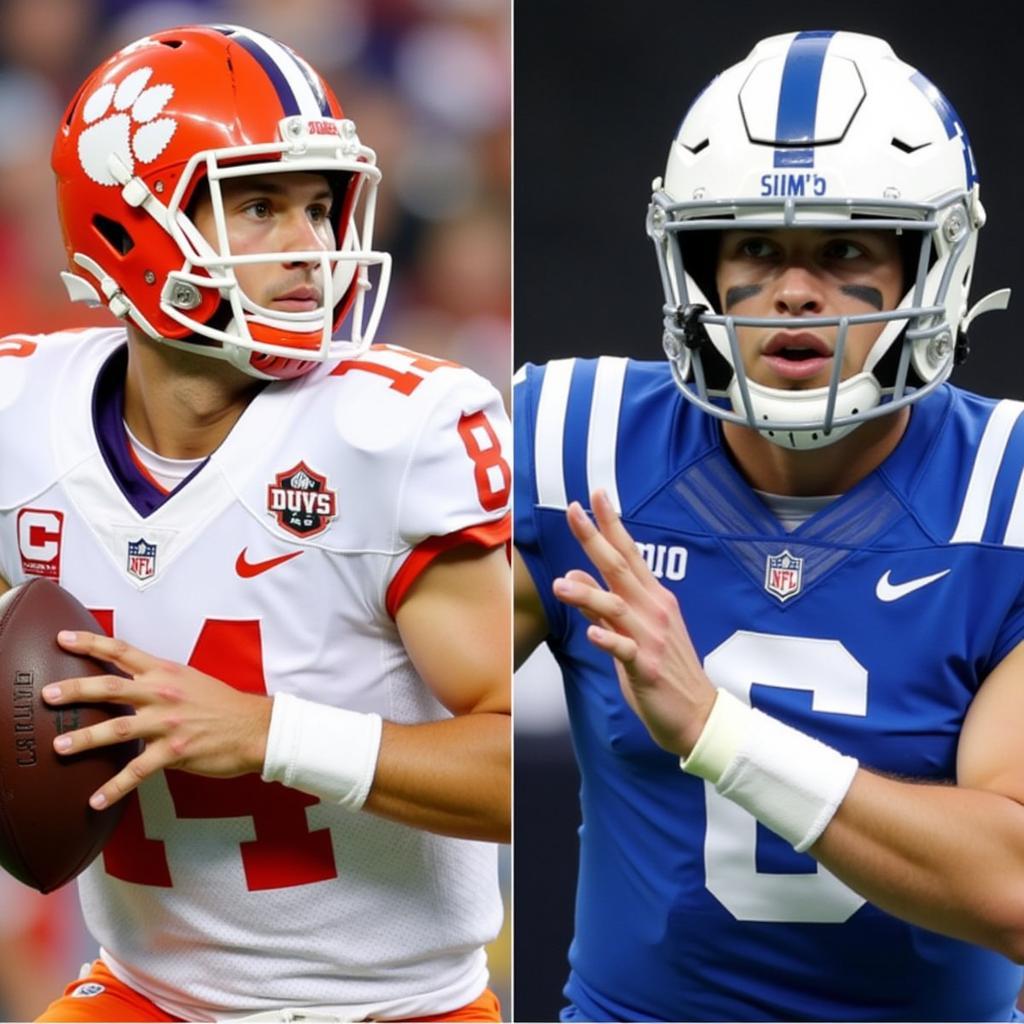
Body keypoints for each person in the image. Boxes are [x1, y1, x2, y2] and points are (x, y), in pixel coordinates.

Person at [0, 23, 510, 1024]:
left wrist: (267, 733)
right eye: (261, 205)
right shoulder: (22, 413)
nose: (312, 247)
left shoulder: (393, 433)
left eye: (320, 207)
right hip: (142, 993)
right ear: (124, 226)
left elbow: (516, 775)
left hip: (394, 1008)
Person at [514, 29, 1024, 1022]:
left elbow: (1011, 883)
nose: (795, 290)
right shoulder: (571, 448)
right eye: (754, 244)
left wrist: (713, 728)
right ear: (696, 264)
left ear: (933, 264)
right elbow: (403, 682)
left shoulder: (1001, 497)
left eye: (843, 247)